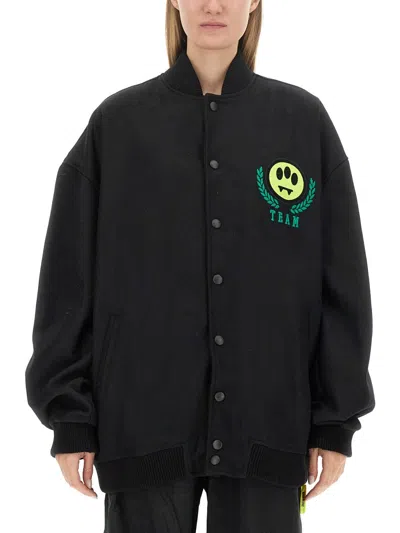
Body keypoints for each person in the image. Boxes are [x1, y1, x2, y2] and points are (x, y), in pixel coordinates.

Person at [25, 0, 376, 531]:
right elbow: (66, 281)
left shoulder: (303, 123)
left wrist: (334, 421)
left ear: (254, 2)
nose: (214, 4)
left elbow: (342, 282)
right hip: (142, 424)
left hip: (269, 421)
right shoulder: (117, 125)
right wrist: (71, 416)